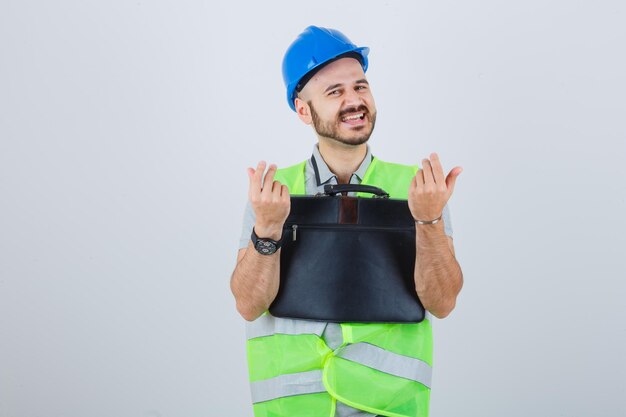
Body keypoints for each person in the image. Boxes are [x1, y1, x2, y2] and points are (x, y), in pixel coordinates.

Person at [230, 25, 463, 417]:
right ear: (303, 110)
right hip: (295, 408)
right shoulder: (273, 192)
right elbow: (249, 305)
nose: (354, 100)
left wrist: (429, 220)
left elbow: (442, 303)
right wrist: (267, 230)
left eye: (360, 86)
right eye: (335, 92)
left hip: (387, 407)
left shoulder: (418, 189)